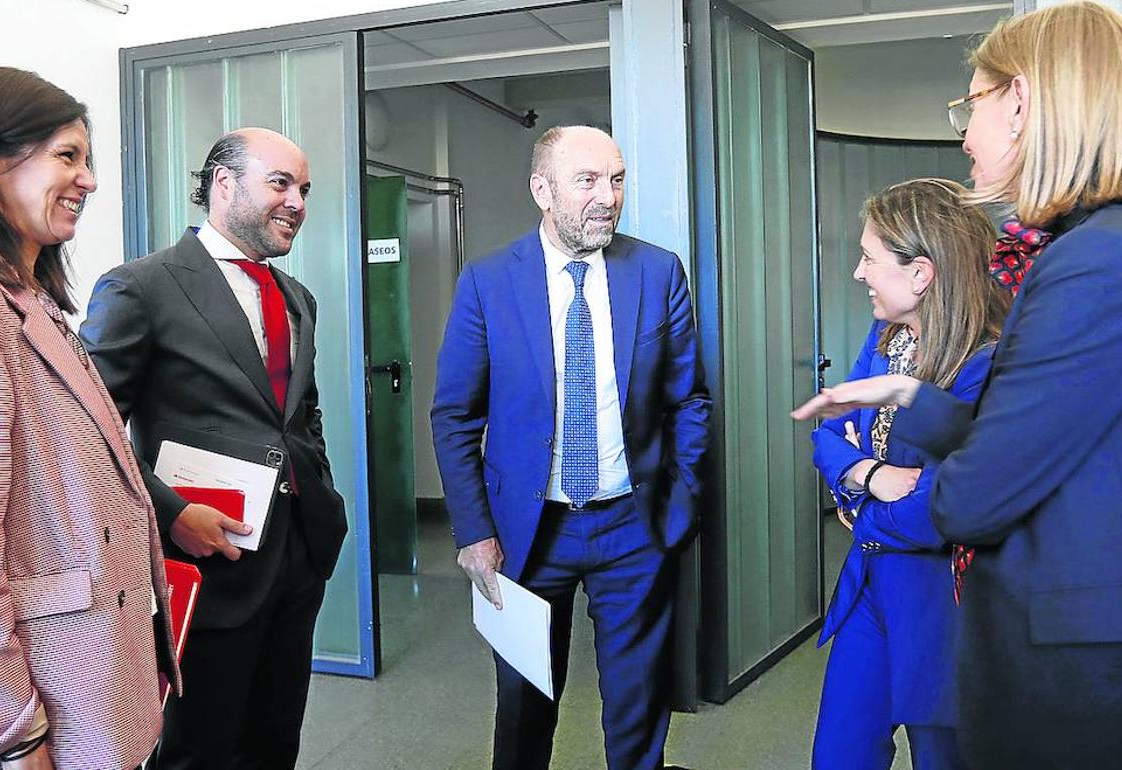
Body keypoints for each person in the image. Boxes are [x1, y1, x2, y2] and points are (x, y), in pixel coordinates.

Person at [793, 3, 1122, 766]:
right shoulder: (1086, 251)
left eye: (968, 105)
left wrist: (868, 479)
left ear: (1022, 101)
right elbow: (1024, 438)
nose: (964, 134)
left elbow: (976, 494)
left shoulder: (1089, 265)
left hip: (1067, 664)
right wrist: (901, 405)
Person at [0, 67, 178, 770]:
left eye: (88, 159)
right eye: (67, 156)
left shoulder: (26, 301)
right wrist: (14, 735)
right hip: (38, 711)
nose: (90, 180)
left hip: (91, 682)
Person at [431, 125, 711, 770]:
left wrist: (680, 503)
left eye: (616, 179)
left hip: (632, 526)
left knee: (638, 705)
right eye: (587, 181)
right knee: (525, 704)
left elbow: (688, 399)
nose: (607, 197)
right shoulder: (489, 283)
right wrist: (474, 532)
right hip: (527, 533)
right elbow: (454, 416)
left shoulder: (656, 272)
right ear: (542, 190)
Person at [79, 127, 347, 770]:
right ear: (223, 184)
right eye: (280, 183)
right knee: (199, 749)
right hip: (208, 564)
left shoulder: (297, 298)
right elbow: (91, 434)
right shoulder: (140, 288)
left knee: (275, 740)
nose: (298, 202)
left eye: (304, 189)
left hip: (295, 558)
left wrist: (322, 496)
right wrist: (171, 513)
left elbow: (300, 418)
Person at [810, 179, 1008, 770]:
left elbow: (938, 511)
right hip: (869, 586)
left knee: (942, 760)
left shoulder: (988, 364)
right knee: (839, 756)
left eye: (870, 258)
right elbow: (827, 430)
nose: (858, 273)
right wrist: (869, 473)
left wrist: (856, 500)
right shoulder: (886, 338)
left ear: (921, 273)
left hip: (943, 605)